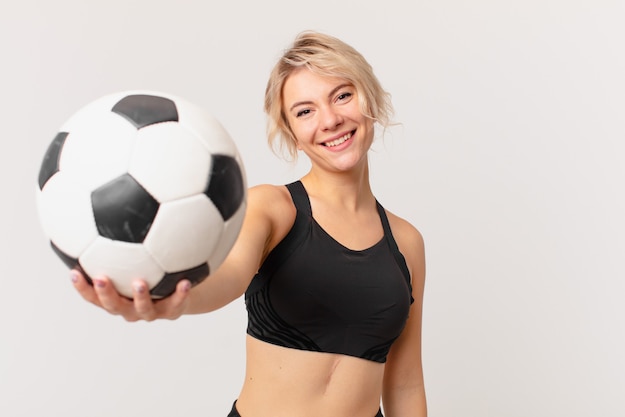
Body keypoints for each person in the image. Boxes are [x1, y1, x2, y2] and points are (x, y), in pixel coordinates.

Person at [72, 31, 427, 417]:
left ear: (369, 97)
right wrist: (166, 300)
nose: (330, 120)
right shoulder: (272, 208)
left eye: (342, 95)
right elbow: (227, 277)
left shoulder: (407, 242)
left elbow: (405, 383)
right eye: (304, 111)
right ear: (291, 132)